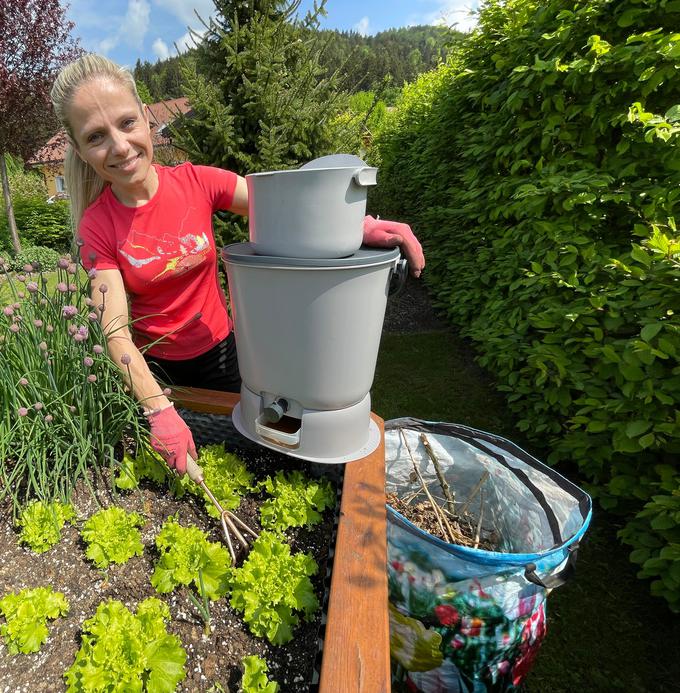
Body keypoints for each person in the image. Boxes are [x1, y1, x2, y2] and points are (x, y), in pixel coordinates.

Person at [50, 54, 425, 475]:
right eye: (96, 136)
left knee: (258, 458)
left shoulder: (197, 182)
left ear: (145, 118)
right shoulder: (97, 226)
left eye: (126, 123)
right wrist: (157, 411)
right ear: (81, 151)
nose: (119, 146)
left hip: (223, 354)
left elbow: (286, 210)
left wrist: (359, 226)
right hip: (156, 372)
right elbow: (114, 331)